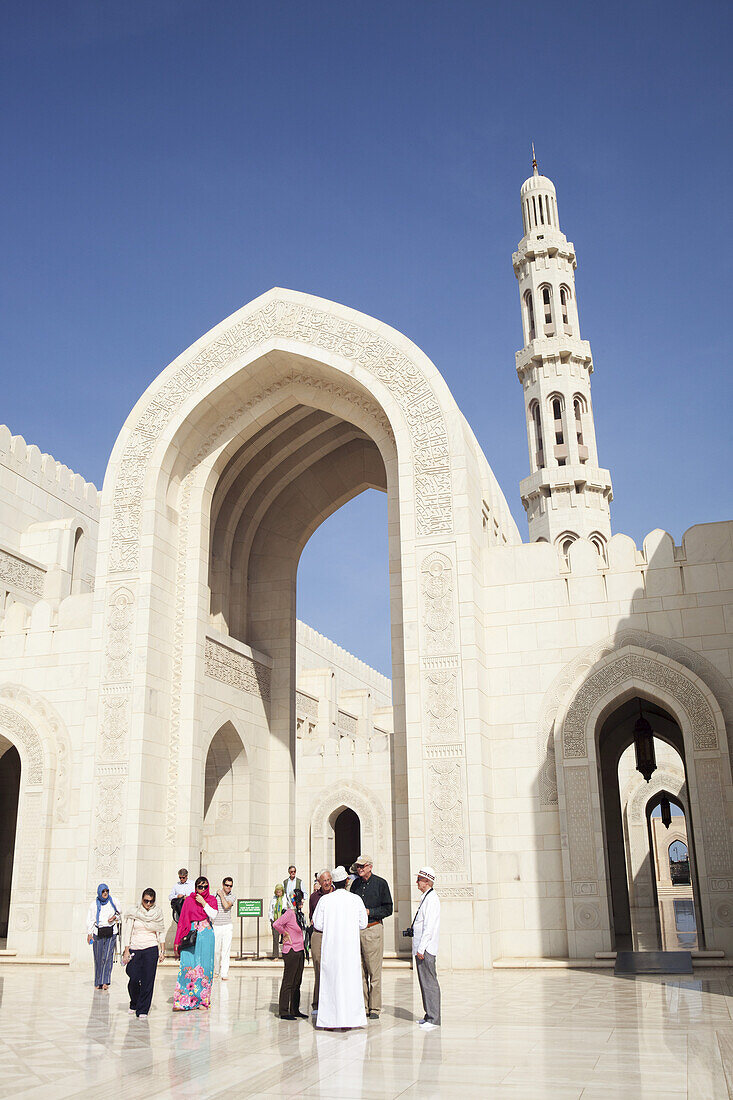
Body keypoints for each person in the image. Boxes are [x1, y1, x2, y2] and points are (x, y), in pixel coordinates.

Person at [312, 865, 368, 1029]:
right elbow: (363, 923)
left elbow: (318, 924)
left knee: (331, 984)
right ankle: (350, 1021)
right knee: (350, 984)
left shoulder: (325, 900)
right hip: (349, 950)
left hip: (331, 949)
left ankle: (330, 1021)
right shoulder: (355, 899)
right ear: (347, 881)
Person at [348, 854, 393, 1019]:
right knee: (360, 970)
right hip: (357, 931)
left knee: (374, 971)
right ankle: (364, 1005)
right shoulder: (355, 885)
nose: (359, 869)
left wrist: (370, 912)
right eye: (358, 867)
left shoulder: (380, 884)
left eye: (362, 866)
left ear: (370, 867)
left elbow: (388, 908)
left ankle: (374, 1008)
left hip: (373, 928)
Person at [173, 876, 218, 1010]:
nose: (202, 889)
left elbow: (214, 915)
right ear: (195, 887)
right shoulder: (189, 901)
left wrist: (204, 903)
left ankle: (202, 1000)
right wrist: (177, 941)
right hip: (191, 934)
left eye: (205, 887)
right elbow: (182, 921)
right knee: (187, 966)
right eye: (200, 887)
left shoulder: (211, 900)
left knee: (204, 967)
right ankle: (182, 1000)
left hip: (206, 934)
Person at [121, 888, 166, 1018]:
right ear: (142, 899)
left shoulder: (157, 913)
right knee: (133, 978)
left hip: (151, 948)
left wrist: (162, 950)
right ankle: (134, 1002)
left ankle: (143, 1009)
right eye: (146, 901)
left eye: (151, 902)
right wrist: (126, 950)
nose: (148, 904)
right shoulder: (134, 912)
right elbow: (128, 931)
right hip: (135, 948)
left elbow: (160, 931)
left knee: (148, 980)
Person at [411, 867, 441, 1030]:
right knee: (424, 982)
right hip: (421, 948)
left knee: (430, 983)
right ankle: (428, 1014)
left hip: (426, 949)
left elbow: (429, 927)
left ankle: (434, 1018)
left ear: (427, 881)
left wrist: (422, 948)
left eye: (420, 879)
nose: (417, 882)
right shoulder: (426, 898)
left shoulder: (432, 899)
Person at [272, 887, 308, 1020]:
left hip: (300, 950)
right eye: (300, 900)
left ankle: (295, 1009)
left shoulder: (300, 915)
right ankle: (283, 1011)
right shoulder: (289, 913)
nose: (302, 902)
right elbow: (277, 924)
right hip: (291, 950)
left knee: (297, 981)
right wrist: (285, 933)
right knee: (288, 981)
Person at [86, 883, 120, 990]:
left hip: (111, 932)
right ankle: (98, 981)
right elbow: (90, 920)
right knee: (98, 957)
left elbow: (120, 913)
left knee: (107, 957)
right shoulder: (94, 905)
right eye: (103, 891)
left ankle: (106, 981)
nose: (105, 893)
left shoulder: (113, 901)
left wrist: (114, 917)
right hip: (98, 933)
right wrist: (89, 933)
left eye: (107, 891)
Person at [308, 869, 333, 1014]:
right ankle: (317, 1003)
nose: (327, 883)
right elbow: (312, 915)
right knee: (318, 968)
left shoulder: (336, 894)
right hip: (319, 934)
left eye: (329, 879)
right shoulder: (314, 897)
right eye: (324, 880)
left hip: (333, 934)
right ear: (319, 882)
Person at [213, 876, 235, 979]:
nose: (228, 887)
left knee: (226, 950)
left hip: (227, 925)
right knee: (216, 950)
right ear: (223, 885)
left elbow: (226, 906)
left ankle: (224, 972)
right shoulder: (215, 895)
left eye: (230, 886)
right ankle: (216, 971)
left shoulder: (232, 896)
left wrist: (222, 895)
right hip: (216, 925)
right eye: (226, 885)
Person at [268, 884, 289, 958]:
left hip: (283, 922)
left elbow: (288, 909)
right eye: (277, 892)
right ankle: (275, 955)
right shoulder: (273, 899)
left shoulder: (285, 898)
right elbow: (270, 910)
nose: (278, 893)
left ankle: (286, 954)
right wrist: (271, 919)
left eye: (279, 892)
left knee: (285, 938)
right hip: (275, 921)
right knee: (275, 938)